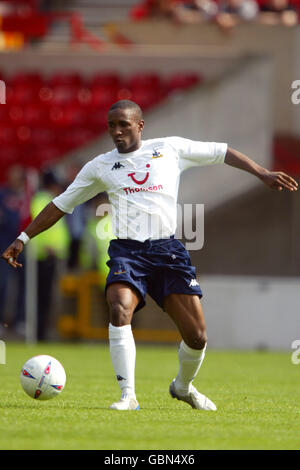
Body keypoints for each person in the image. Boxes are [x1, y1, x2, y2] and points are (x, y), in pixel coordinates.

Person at [1, 100, 298, 411]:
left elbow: (222, 152)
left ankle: (183, 386)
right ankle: (127, 395)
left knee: (197, 337)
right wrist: (23, 238)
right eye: (112, 126)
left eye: (124, 125)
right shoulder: (100, 166)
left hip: (167, 252)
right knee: (119, 307)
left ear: (140, 126)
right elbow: (60, 204)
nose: (117, 132)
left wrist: (262, 173)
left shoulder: (170, 149)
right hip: (128, 252)